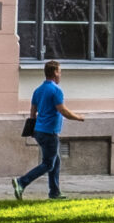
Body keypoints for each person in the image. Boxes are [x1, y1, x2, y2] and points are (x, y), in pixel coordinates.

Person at [13, 59, 86, 200]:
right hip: (49, 132)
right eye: (60, 72)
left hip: (39, 131)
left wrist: (34, 129)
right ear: (55, 73)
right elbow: (62, 110)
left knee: (55, 161)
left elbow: (32, 112)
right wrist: (78, 117)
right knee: (48, 164)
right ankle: (21, 182)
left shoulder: (38, 90)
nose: (60, 75)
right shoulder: (56, 90)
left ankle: (54, 192)